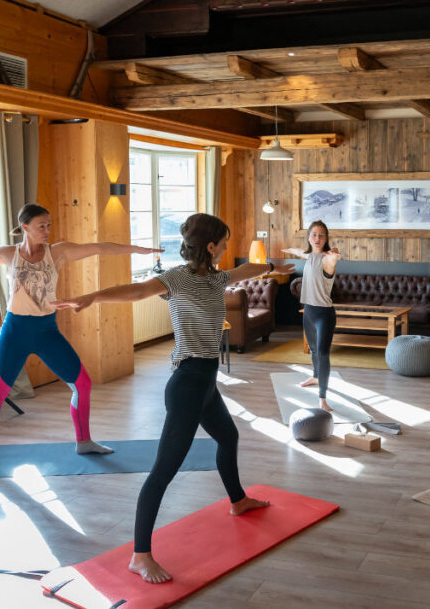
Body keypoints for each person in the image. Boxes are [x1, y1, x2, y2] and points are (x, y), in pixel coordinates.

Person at [53, 213, 295, 584]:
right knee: (163, 472)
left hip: (206, 382)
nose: (228, 248)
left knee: (228, 437)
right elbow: (134, 291)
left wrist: (276, 266)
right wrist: (92, 297)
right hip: (186, 385)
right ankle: (140, 555)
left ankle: (237, 500)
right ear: (210, 246)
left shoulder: (217, 278)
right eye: (224, 241)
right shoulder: (175, 280)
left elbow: (247, 270)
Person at [0, 203, 160, 468]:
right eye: (42, 226)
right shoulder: (7, 254)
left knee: (82, 384)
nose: (48, 230)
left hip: (47, 331)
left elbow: (99, 247)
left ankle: (84, 442)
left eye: (49, 225)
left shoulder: (58, 252)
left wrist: (137, 249)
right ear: (25, 227)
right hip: (15, 331)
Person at [281, 220, 341, 412]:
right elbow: (298, 252)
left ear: (326, 238)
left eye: (321, 235)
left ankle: (322, 398)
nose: (317, 238)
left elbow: (333, 258)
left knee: (323, 354)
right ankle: (316, 376)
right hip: (308, 311)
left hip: (324, 314)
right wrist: (286, 249)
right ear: (309, 237)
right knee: (314, 350)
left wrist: (335, 256)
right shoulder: (308, 256)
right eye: (314, 234)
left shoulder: (327, 259)